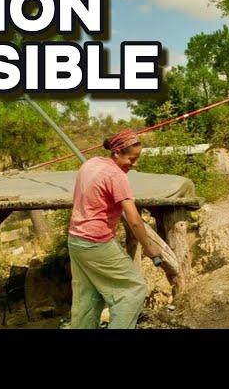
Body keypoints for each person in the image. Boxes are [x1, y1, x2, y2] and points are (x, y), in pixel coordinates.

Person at [67, 128, 162, 329]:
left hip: (75, 240)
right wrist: (149, 247)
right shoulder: (116, 176)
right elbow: (134, 220)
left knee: (88, 298)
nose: (134, 164)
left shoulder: (90, 164)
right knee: (133, 289)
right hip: (96, 242)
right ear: (117, 152)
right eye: (132, 159)